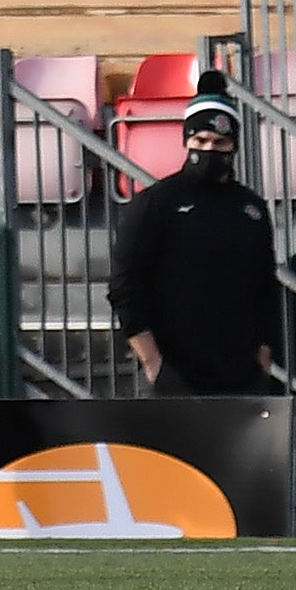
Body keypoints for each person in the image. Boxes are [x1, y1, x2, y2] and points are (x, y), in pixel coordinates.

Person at [106, 74, 277, 397]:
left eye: (219, 143)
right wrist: (153, 362)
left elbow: (266, 286)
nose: (209, 150)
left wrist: (263, 356)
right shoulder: (157, 203)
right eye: (200, 141)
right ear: (186, 141)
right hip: (176, 377)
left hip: (242, 378)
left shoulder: (251, 208)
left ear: (234, 146)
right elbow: (124, 284)